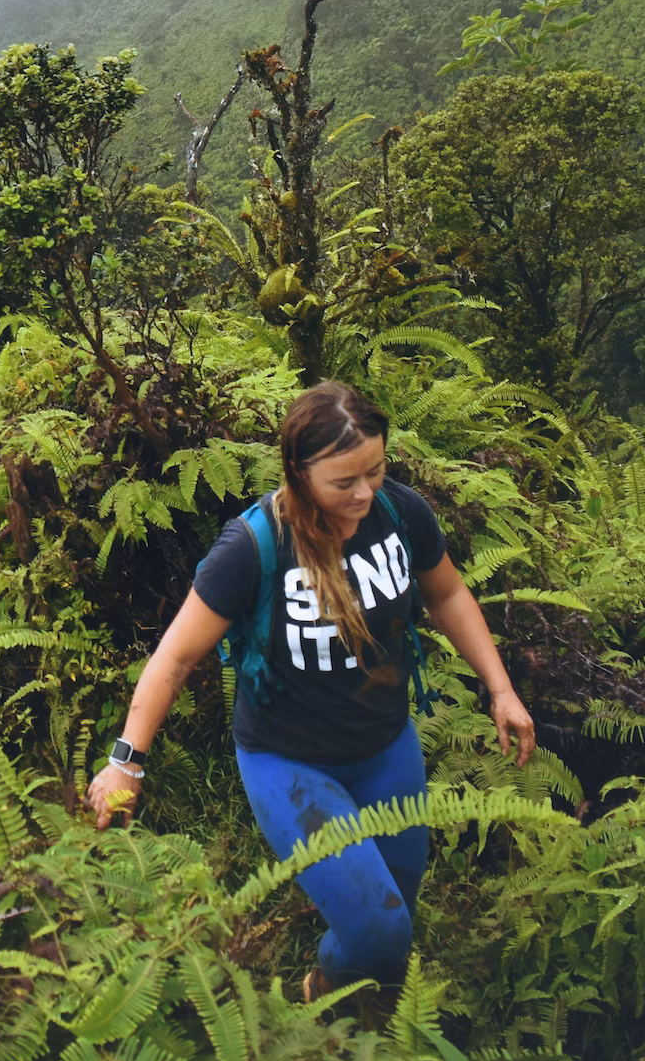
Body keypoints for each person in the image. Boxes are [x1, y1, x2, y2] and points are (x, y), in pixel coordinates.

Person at [84, 382, 537, 1001]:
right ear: (298, 475)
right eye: (343, 481)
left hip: (386, 746)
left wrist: (501, 688)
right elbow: (176, 657)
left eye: (375, 471)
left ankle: (360, 1007)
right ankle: (325, 986)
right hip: (289, 762)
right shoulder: (253, 547)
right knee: (379, 931)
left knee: (397, 912)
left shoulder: (400, 515)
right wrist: (125, 764)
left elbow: (448, 594)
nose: (364, 493)